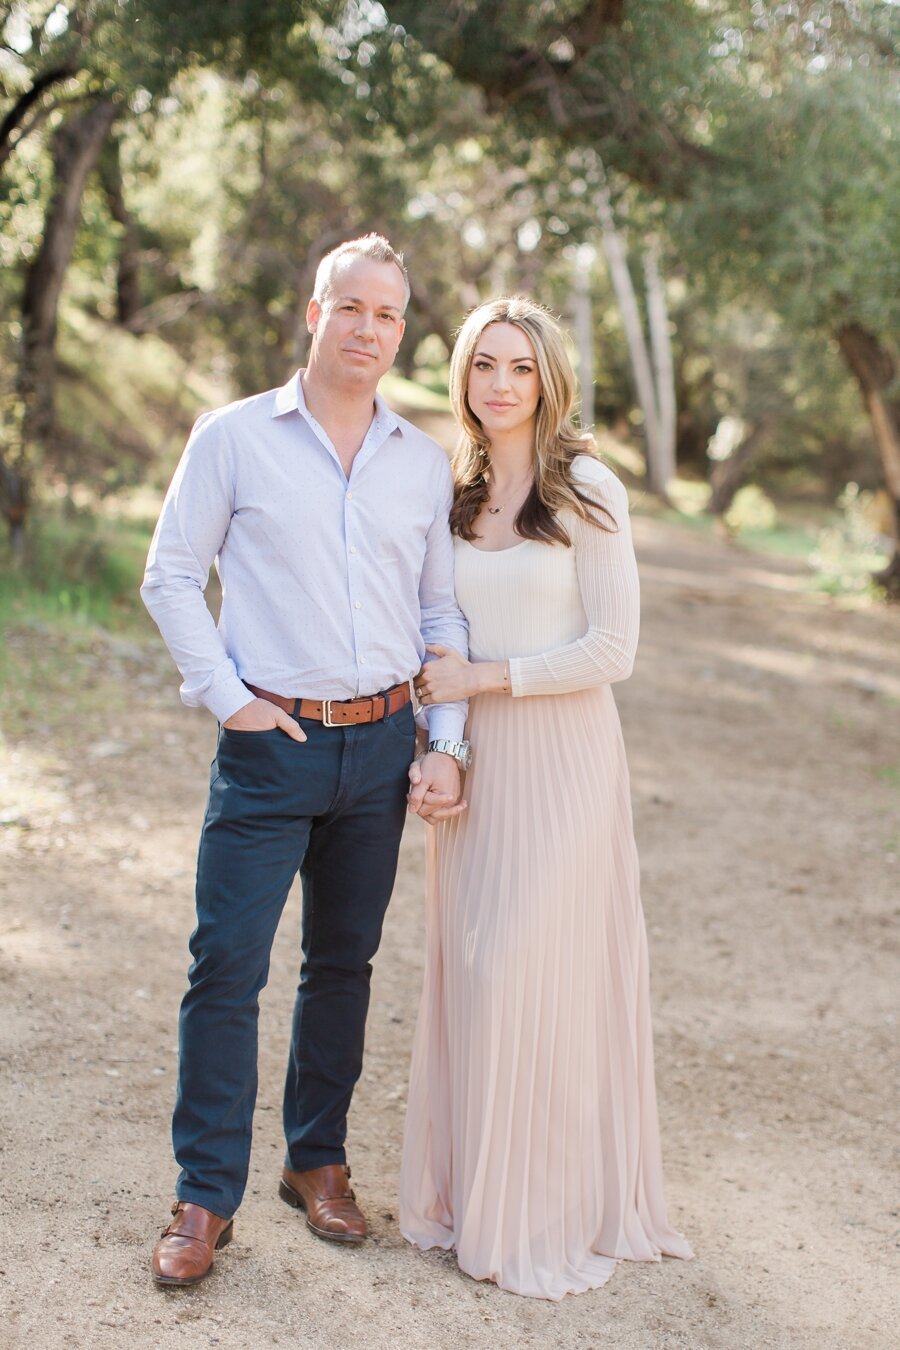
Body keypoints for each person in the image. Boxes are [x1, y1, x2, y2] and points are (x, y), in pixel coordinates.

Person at [141, 234, 470, 1288]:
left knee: (344, 965)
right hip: (269, 747)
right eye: (353, 307)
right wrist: (229, 699)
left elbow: (438, 609)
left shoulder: (420, 463)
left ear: (400, 332)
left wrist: (443, 742)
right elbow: (171, 573)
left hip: (379, 747)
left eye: (389, 314)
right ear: (313, 311)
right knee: (225, 966)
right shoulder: (233, 438)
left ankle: (316, 1161)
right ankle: (204, 1197)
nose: (370, 328)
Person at [399, 296, 693, 1300]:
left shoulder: (590, 488)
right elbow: (435, 635)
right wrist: (439, 743)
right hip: (478, 769)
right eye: (484, 364)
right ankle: (478, 1196)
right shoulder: (452, 489)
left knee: (531, 969)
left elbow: (615, 648)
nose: (500, 384)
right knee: (477, 974)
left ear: (548, 378)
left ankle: (544, 1211)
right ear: (462, 379)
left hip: (564, 762)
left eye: (519, 367)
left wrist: (487, 684)